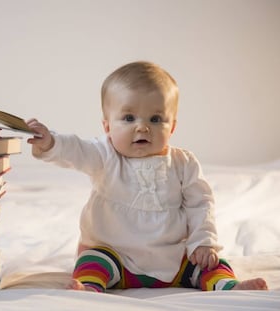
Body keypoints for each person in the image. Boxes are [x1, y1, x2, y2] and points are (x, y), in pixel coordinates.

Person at [26, 61, 268, 292]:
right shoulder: (104, 155)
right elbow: (75, 150)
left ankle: (228, 285)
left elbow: (201, 204)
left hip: (173, 259)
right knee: (92, 260)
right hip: (116, 256)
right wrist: (50, 143)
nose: (142, 127)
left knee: (210, 263)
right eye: (129, 118)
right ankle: (90, 287)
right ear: (107, 126)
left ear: (172, 127)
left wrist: (203, 242)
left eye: (155, 119)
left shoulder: (184, 163)